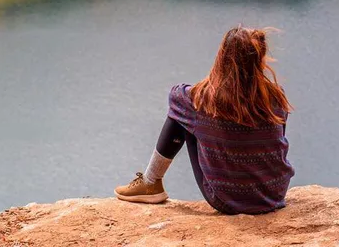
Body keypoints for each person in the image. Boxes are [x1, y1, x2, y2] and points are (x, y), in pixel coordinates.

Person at [114, 26, 294, 215]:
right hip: (274, 194)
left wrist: (211, 83)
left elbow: (176, 94)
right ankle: (151, 184)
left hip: (227, 200)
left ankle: (151, 183)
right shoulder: (275, 96)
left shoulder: (201, 100)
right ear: (260, 59)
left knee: (182, 113)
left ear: (222, 57)